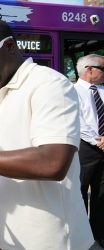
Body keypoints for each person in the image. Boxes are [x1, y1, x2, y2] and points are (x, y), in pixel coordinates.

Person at [0, 19, 94, 250]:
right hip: (2, 227)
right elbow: (9, 152)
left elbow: (52, 162)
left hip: (45, 237)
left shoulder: (49, 84)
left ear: (10, 47)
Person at [73, 54, 104, 248]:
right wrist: (98, 141)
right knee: (80, 192)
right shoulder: (72, 91)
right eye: (103, 69)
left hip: (102, 145)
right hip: (84, 148)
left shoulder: (103, 90)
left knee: (102, 194)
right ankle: (81, 235)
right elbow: (78, 122)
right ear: (89, 69)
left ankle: (99, 233)